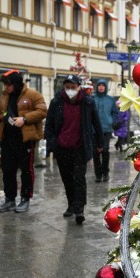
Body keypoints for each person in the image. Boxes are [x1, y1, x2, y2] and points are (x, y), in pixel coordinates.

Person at [44, 74, 104, 224]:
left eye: (73, 87)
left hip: (80, 147)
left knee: (79, 179)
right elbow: (49, 124)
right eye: (67, 87)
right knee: (67, 179)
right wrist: (52, 143)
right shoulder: (57, 102)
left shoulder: (87, 103)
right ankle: (71, 204)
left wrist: (100, 142)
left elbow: (96, 123)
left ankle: (79, 209)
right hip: (62, 147)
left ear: (79, 87)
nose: (70, 90)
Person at [0, 70, 47, 213]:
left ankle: (25, 198)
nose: (6, 88)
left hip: (25, 139)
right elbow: (0, 112)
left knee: (26, 170)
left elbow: (42, 111)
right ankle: (9, 199)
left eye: (8, 84)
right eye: (5, 85)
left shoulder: (33, 95)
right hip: (8, 138)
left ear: (15, 84)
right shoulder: (5, 96)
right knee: (7, 169)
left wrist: (25, 118)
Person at [92, 79, 118, 182]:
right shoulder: (92, 99)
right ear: (97, 87)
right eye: (99, 85)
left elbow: (115, 112)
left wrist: (112, 121)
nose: (101, 87)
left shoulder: (110, 100)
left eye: (103, 85)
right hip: (94, 130)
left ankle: (105, 173)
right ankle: (98, 174)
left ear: (105, 87)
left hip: (106, 129)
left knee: (105, 151)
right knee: (95, 153)